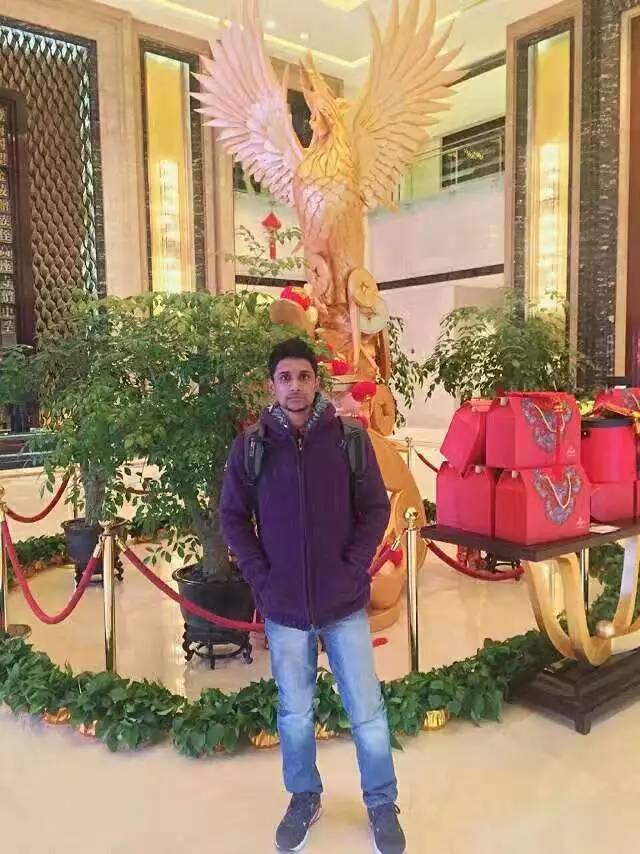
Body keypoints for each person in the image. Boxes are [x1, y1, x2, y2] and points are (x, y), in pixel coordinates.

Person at [220, 338, 405, 854]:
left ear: (316, 381)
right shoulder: (252, 447)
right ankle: (304, 796)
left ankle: (381, 802)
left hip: (343, 603)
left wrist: (352, 567)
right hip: (283, 608)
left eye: (303, 376)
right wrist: (263, 578)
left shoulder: (348, 438)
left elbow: (375, 508)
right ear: (271, 385)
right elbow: (232, 517)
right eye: (285, 377)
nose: (295, 386)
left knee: (366, 708)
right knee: (295, 712)